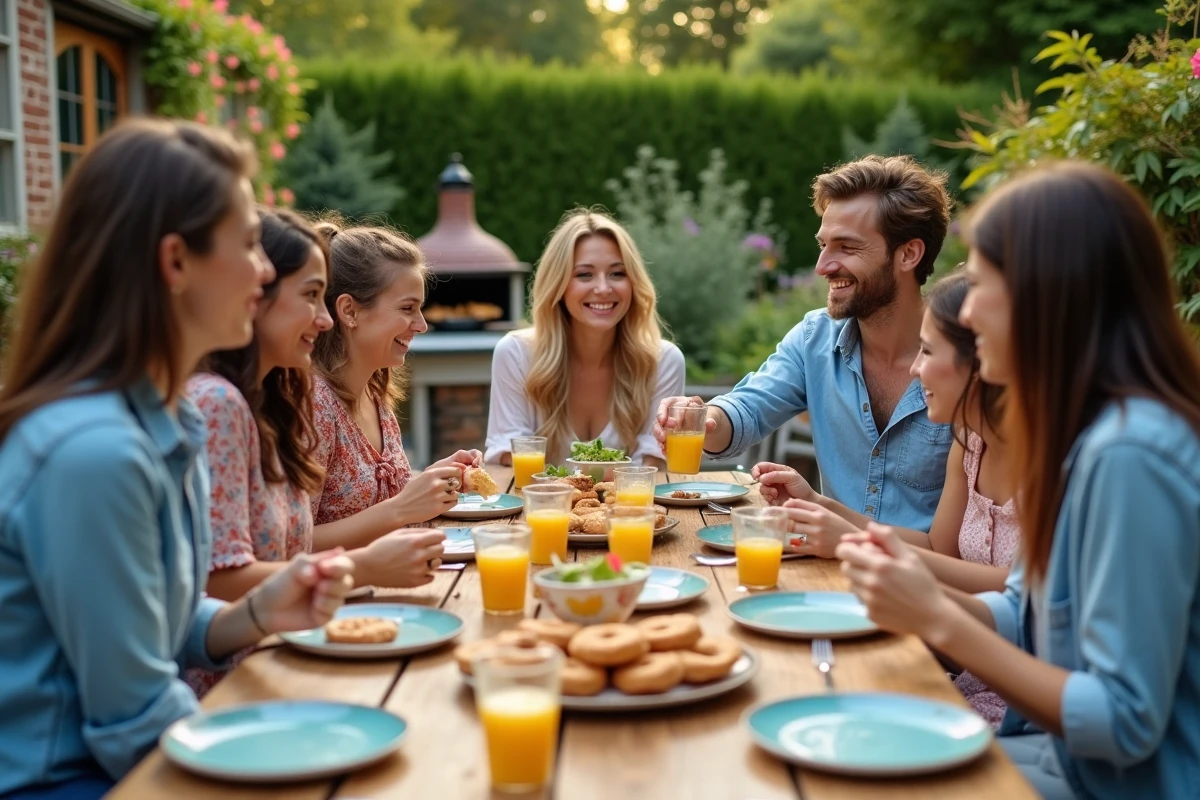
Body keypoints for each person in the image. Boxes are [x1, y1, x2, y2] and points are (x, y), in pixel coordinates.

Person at [0, 120, 355, 799]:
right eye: (249, 242)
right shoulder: (93, 453)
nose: (262, 269)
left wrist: (254, 615)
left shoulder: (169, 417)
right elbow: (132, 717)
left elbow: (155, 620)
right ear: (175, 262)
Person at [837, 162, 1200, 799]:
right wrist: (909, 586)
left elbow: (1124, 722)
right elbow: (1030, 609)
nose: (967, 313)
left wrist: (938, 620)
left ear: (1048, 293)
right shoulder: (1086, 432)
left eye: (983, 284)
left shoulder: (1130, 455)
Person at [185, 209, 446, 696]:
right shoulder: (221, 403)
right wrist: (363, 565)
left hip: (300, 646)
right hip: (243, 681)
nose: (323, 319)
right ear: (252, 297)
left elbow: (291, 549)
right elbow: (217, 581)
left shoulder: (278, 398)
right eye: (310, 296)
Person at [766, 271, 1016, 726]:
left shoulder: (1058, 461)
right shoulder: (970, 440)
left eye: (927, 351)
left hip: (1006, 692)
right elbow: (939, 550)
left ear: (980, 362)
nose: (915, 369)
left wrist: (857, 544)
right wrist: (826, 509)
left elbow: (1025, 594)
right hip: (967, 676)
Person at [655, 155, 954, 532]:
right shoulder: (815, 339)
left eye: (846, 247)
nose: (822, 266)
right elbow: (748, 409)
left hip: (927, 582)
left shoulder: (963, 364)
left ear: (909, 254)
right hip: (828, 571)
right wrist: (704, 420)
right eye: (823, 245)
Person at [309, 221, 479, 548]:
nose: (422, 325)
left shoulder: (374, 391)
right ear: (349, 311)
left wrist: (432, 480)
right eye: (407, 308)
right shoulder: (315, 406)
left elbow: (372, 503)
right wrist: (402, 508)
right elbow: (295, 545)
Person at [485, 209, 684, 467]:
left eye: (617, 273)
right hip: (542, 507)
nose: (603, 288)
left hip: (632, 508)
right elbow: (506, 453)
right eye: (584, 275)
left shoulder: (662, 361)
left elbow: (654, 465)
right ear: (558, 285)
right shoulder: (515, 353)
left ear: (634, 283)